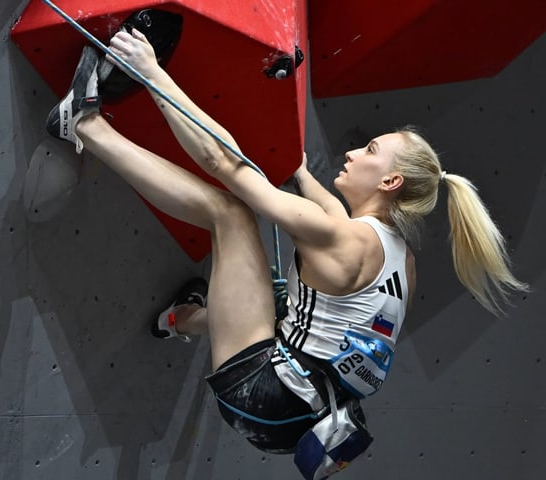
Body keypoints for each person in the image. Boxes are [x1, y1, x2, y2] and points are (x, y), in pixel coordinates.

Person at [45, 27, 528, 461]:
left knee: (230, 215)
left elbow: (223, 163)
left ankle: (84, 124)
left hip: (262, 395)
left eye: (371, 152)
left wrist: (150, 71)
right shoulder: (396, 253)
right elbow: (318, 205)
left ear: (390, 181)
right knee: (281, 298)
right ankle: (181, 319)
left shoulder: (338, 238)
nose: (354, 152)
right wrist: (292, 162)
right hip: (307, 419)